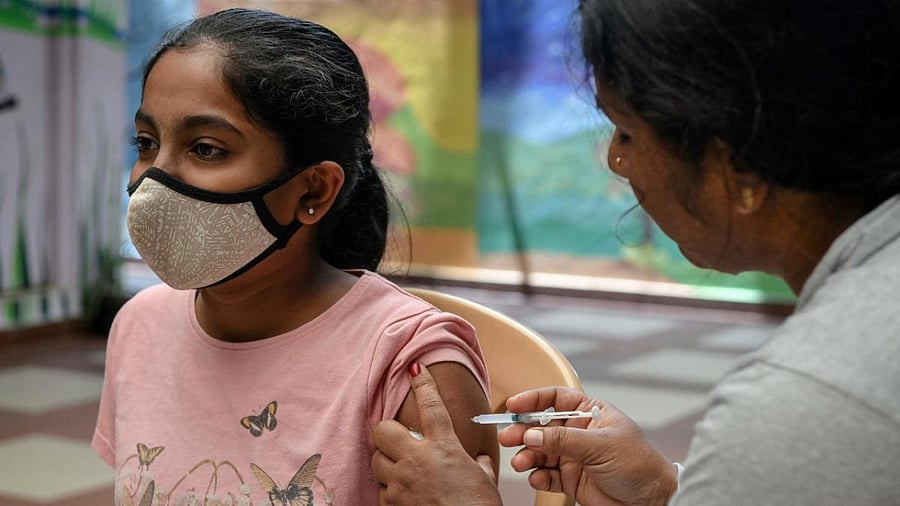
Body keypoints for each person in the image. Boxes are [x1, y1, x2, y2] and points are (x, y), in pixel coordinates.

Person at [371, 0, 900, 504]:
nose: (617, 160)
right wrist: (665, 492)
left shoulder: (808, 406)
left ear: (733, 159)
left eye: (626, 131)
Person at [91, 8, 497, 506]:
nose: (154, 179)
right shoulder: (139, 326)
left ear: (313, 190)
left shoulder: (411, 368)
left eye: (206, 148)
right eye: (147, 143)